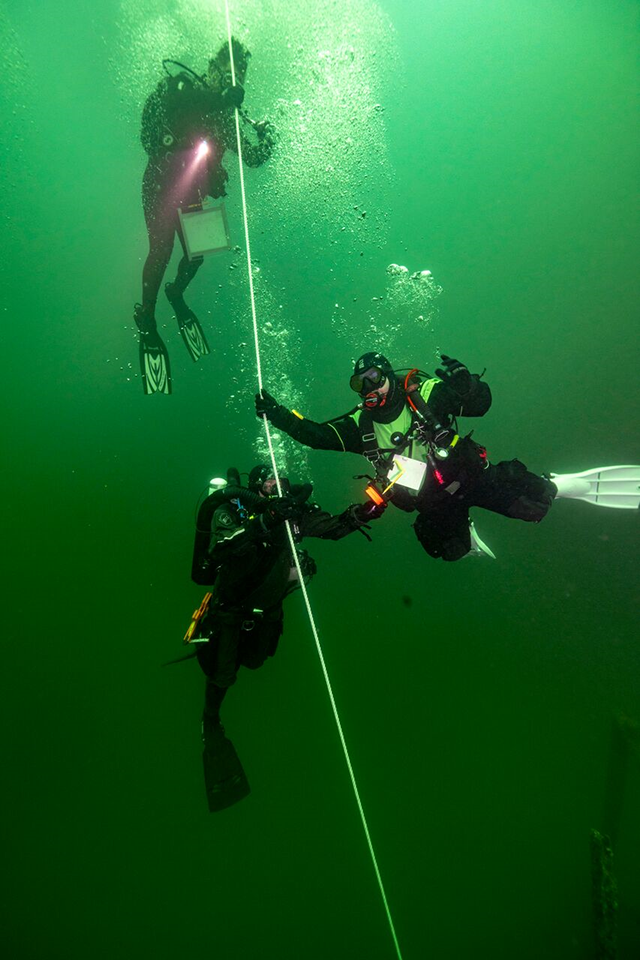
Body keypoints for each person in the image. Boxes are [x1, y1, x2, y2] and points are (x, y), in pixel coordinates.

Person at [186, 465, 379, 812]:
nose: (277, 489)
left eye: (282, 484)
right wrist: (266, 520)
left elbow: (333, 528)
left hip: (267, 610)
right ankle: (210, 722)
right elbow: (222, 551)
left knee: (258, 661)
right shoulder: (232, 510)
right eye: (271, 483)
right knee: (225, 674)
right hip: (231, 611)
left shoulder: (291, 514)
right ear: (256, 485)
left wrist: (365, 511)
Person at [255, 352, 559, 561]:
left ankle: (544, 483)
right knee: (449, 551)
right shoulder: (360, 425)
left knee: (536, 505)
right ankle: (466, 531)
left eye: (373, 377)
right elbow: (315, 435)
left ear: (387, 375)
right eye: (359, 383)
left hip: (472, 477)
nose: (367, 388)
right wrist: (278, 415)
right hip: (432, 501)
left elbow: (480, 405)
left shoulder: (424, 393)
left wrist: (468, 387)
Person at [135, 38, 275, 394]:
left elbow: (252, 158)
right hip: (161, 184)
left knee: (198, 255)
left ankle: (175, 293)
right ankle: (147, 319)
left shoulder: (225, 120)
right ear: (213, 69)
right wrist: (222, 98)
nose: (234, 77)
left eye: (240, 72)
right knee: (161, 250)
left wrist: (268, 138)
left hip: (193, 191)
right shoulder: (184, 88)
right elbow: (180, 103)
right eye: (228, 70)